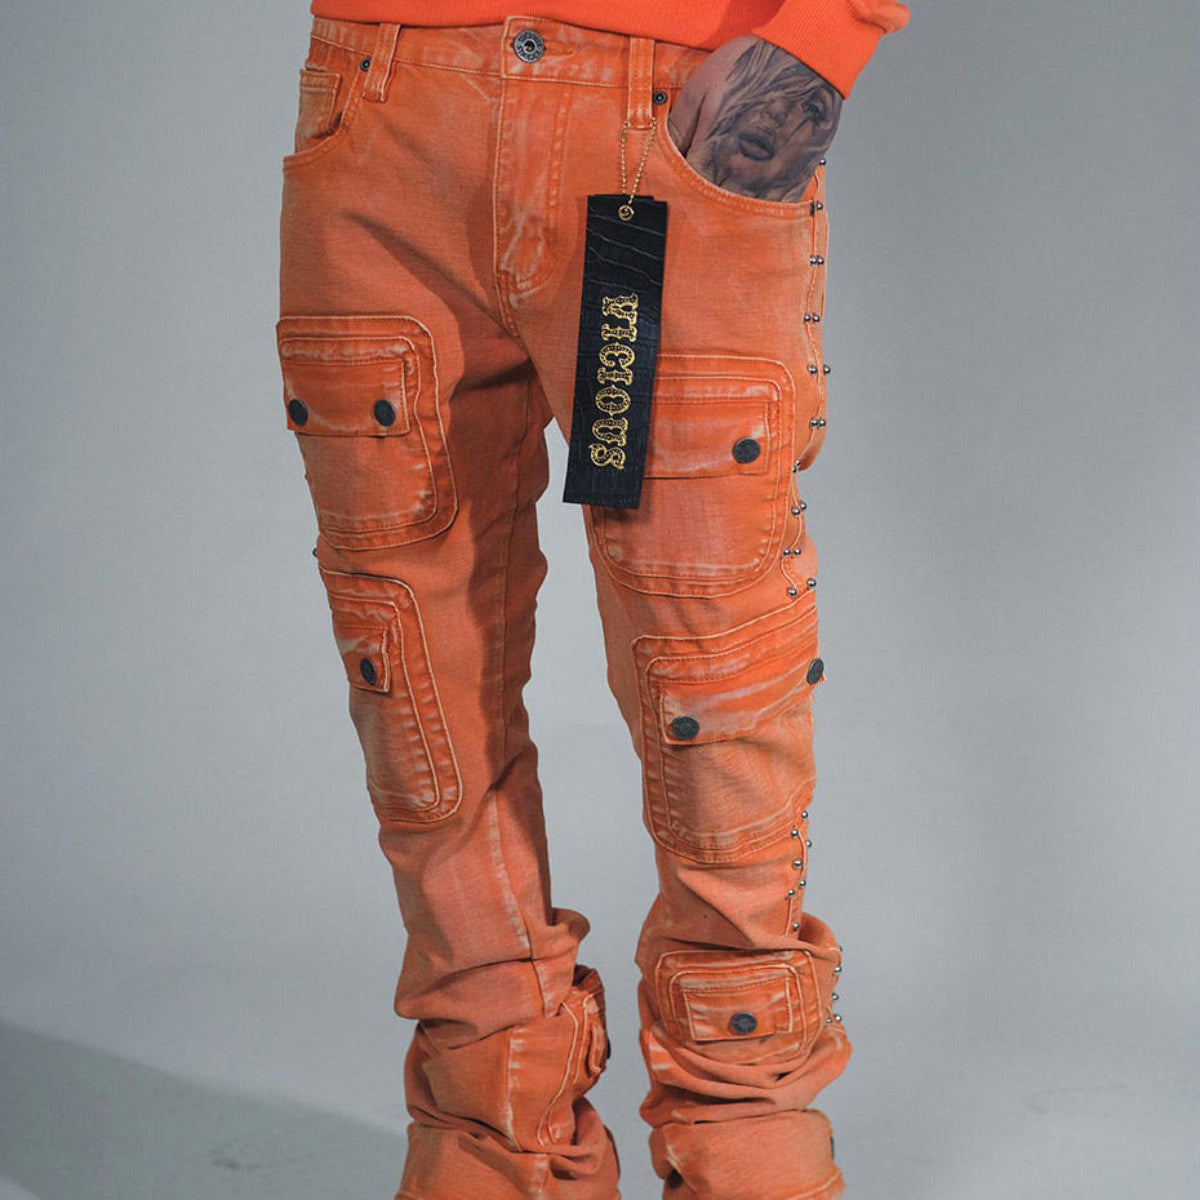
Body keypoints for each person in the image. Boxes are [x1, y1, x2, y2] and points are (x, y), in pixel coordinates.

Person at [274, 3, 909, 1197]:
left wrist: (822, 35)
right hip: (380, 95)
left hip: (671, 107)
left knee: (716, 668)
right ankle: (491, 1132)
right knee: (410, 663)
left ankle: (743, 1132)